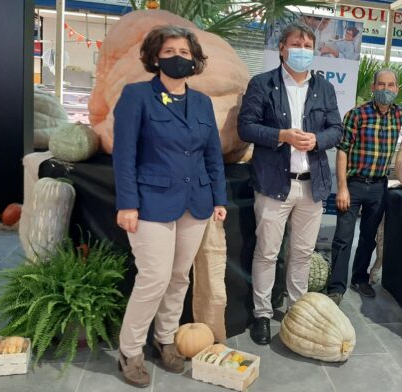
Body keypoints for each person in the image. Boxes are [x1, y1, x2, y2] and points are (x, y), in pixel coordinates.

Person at [112, 25, 227, 388]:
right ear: (154, 58)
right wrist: (127, 204)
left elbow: (213, 156)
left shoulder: (203, 102)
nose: (178, 58)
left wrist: (219, 198)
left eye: (184, 52)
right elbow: (124, 156)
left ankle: (165, 339)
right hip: (150, 204)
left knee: (179, 278)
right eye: (169, 52)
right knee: (153, 279)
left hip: (197, 203)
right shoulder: (136, 96)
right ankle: (129, 350)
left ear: (194, 59)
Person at [237, 22, 343, 345]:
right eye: (297, 44)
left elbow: (337, 130)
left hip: (313, 186)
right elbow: (246, 128)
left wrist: (318, 139)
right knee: (268, 253)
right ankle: (263, 314)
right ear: (282, 48)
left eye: (308, 46)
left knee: (302, 253)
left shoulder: (323, 88)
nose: (303, 50)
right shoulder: (262, 84)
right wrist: (281, 136)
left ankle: (297, 311)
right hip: (273, 184)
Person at [327, 70, 402, 304]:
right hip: (353, 186)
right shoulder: (357, 115)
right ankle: (336, 288)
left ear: (397, 90)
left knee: (368, 237)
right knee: (343, 238)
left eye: (391, 85)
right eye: (381, 85)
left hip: (378, 187)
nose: (386, 90)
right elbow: (342, 150)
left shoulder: (398, 114)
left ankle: (359, 278)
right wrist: (342, 188)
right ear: (373, 88)